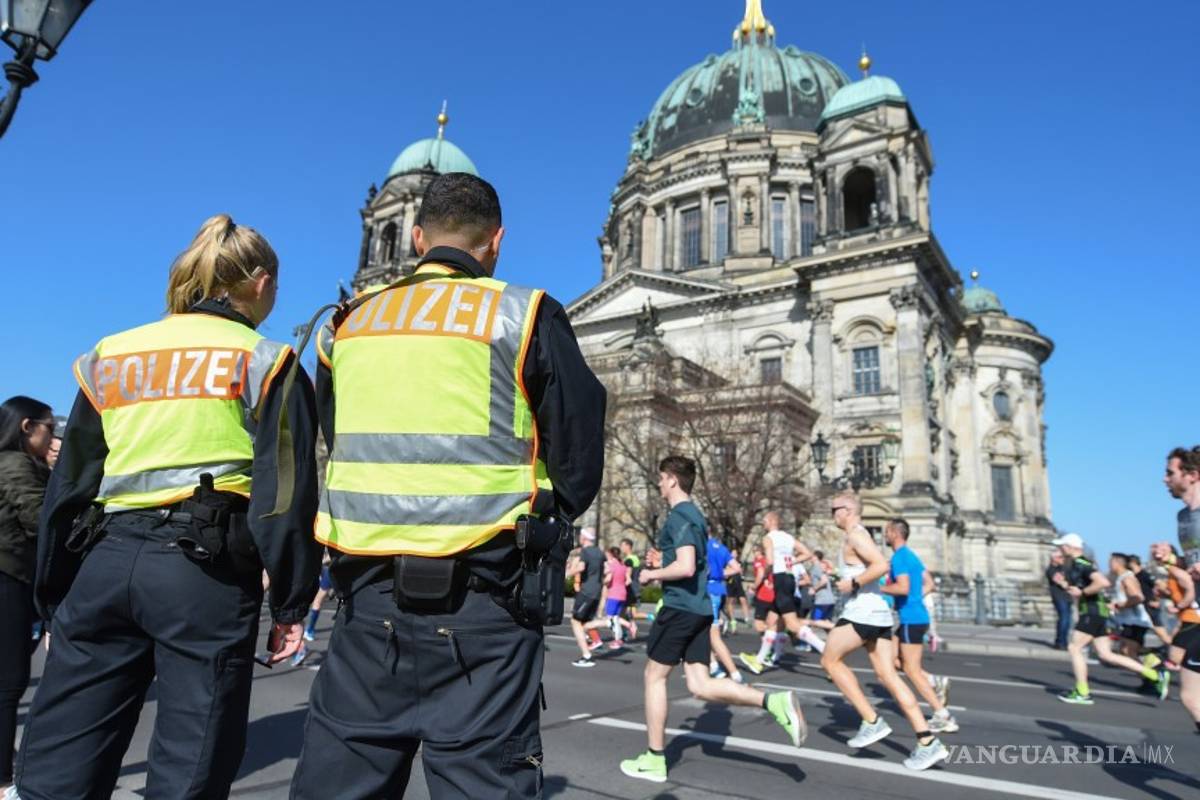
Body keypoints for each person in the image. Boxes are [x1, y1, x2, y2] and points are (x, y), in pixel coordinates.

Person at [291, 173, 605, 798]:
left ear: (416, 238)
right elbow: (577, 459)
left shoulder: (347, 324)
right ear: (496, 241)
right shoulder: (525, 313)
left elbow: (336, 437)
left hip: (367, 603)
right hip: (487, 604)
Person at [15, 215, 321, 800]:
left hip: (104, 561)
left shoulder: (111, 355)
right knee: (190, 764)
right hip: (203, 569)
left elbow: (71, 483)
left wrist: (54, 598)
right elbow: (284, 493)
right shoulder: (267, 359)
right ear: (260, 282)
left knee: (61, 763)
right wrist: (290, 602)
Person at [619, 456, 805, 784]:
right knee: (700, 685)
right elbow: (691, 560)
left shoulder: (679, 516)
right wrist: (663, 559)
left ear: (672, 480)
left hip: (680, 607)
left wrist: (651, 574)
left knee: (654, 677)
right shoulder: (695, 516)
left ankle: (655, 758)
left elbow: (687, 566)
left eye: (661, 478)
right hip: (700, 608)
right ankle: (771, 700)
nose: (659, 484)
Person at [819, 491, 948, 771]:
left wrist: (853, 584)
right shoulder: (858, 535)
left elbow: (880, 565)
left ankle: (871, 720)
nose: (832, 515)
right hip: (879, 614)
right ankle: (927, 741)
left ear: (847, 510)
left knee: (829, 661)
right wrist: (843, 576)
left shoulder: (855, 536)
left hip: (862, 612)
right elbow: (867, 568)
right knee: (888, 675)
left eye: (834, 509)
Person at [0, 397, 54, 793]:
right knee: (9, 681)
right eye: (49, 428)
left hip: (11, 575)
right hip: (8, 577)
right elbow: (39, 519)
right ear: (26, 427)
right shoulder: (16, 465)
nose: (52, 436)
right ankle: (3, 780)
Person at [1053, 534, 1168, 704]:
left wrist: (1083, 592)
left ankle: (1082, 692)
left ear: (1069, 546)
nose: (1060, 549)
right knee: (1105, 654)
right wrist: (1064, 585)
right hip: (1097, 613)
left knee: (1074, 648)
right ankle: (1154, 675)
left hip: (1092, 613)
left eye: (1061, 546)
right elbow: (1082, 588)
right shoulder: (1081, 564)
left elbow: (1102, 582)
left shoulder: (1081, 564)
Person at [881, 519, 957, 734]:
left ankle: (943, 715)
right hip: (913, 617)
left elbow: (903, 588)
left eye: (886, 531)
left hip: (911, 619)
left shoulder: (899, 558)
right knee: (892, 661)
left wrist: (879, 589)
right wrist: (916, 598)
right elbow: (930, 583)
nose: (884, 535)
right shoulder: (911, 556)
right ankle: (933, 681)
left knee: (911, 670)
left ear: (895, 533)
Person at [1151, 542, 1200, 730]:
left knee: (1175, 656)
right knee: (1176, 656)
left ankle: (1161, 673)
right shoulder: (1173, 571)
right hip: (1188, 619)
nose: (1156, 552)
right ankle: (1162, 671)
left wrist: (1179, 606)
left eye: (1162, 550)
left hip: (1192, 619)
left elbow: (1190, 591)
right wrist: (1165, 594)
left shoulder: (1176, 570)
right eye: (1155, 550)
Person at [705, 529, 745, 683]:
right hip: (719, 590)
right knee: (701, 632)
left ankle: (734, 673)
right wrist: (720, 573)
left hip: (708, 591)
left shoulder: (702, 546)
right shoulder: (721, 548)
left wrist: (713, 573)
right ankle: (713, 665)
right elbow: (737, 567)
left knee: (713, 636)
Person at [569, 528, 606, 665]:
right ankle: (610, 623)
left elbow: (581, 567)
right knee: (585, 621)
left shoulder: (585, 551)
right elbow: (607, 570)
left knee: (575, 621)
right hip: (597, 591)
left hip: (587, 591)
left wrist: (567, 574)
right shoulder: (600, 552)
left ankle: (586, 655)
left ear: (584, 537)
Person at [1165, 447, 1200, 574]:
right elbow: (1192, 562)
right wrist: (1170, 558)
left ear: (1192, 476)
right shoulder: (1182, 516)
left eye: (1170, 473)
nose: (1165, 479)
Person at [1046, 550, 1072, 649]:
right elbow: (1062, 583)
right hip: (1059, 597)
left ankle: (1061, 641)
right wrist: (1069, 585)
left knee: (1066, 620)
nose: (1063, 559)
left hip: (1067, 597)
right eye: (1060, 557)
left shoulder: (1063, 568)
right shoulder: (1051, 570)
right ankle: (1061, 642)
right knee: (1064, 619)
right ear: (1054, 558)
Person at [723, 546, 751, 631]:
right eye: (733, 553)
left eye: (736, 553)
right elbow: (725, 575)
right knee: (730, 602)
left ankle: (747, 619)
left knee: (743, 600)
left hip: (738, 584)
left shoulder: (739, 563)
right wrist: (730, 570)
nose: (735, 554)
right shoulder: (727, 563)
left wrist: (741, 571)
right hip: (731, 583)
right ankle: (732, 620)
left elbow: (741, 574)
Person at [810, 550, 835, 622]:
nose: (809, 558)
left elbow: (824, 581)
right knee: (826, 624)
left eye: (811, 556)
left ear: (815, 557)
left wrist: (814, 589)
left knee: (814, 622)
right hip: (829, 601)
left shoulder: (816, 567)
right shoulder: (822, 567)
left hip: (822, 601)